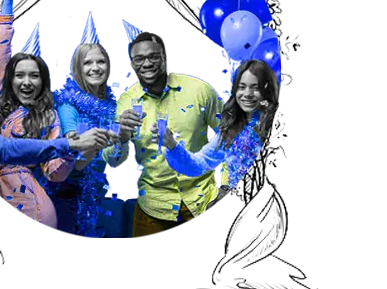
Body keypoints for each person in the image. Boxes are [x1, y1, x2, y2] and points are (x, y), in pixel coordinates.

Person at [0, 0, 109, 231]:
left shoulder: (49, 117)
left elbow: (55, 173)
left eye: (34, 76)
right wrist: (7, 2)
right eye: (20, 75)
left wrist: (70, 148)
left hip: (28, 208)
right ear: (9, 80)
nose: (26, 81)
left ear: (42, 82)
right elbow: (1, 52)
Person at [103, 27, 224, 239]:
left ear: (165, 58)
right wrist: (121, 136)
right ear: (132, 64)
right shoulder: (125, 102)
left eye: (153, 56)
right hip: (154, 206)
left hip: (203, 201)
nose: (147, 64)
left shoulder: (199, 90)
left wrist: (227, 185)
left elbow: (229, 134)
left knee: (214, 260)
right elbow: (111, 160)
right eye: (139, 59)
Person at [0, 40, 111, 170]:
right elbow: (2, 149)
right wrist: (72, 144)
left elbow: (55, 171)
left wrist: (71, 152)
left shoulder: (48, 117)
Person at [44, 11, 118, 239]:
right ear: (78, 67)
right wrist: (97, 143)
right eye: (88, 63)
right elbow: (73, 156)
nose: (95, 67)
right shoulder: (68, 104)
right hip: (70, 194)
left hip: (102, 192)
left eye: (100, 61)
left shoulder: (113, 103)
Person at [159, 59, 280, 189]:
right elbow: (199, 164)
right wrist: (172, 145)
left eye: (255, 88)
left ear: (267, 90)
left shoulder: (278, 126)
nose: (247, 94)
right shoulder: (230, 132)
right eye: (242, 87)